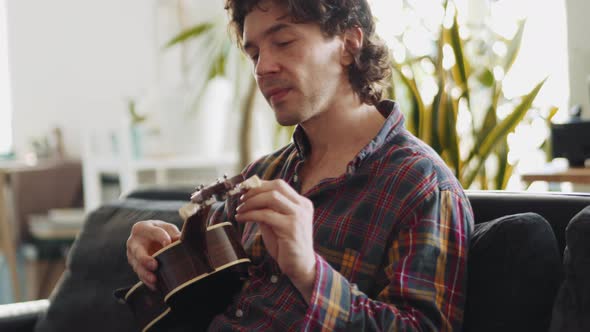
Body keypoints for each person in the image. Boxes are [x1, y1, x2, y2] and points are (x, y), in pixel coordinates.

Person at [126, 0, 474, 330]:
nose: (263, 68)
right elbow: (191, 285)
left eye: (283, 41)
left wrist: (309, 273)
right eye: (255, 54)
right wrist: (157, 254)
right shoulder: (261, 175)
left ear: (349, 45)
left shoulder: (422, 187)